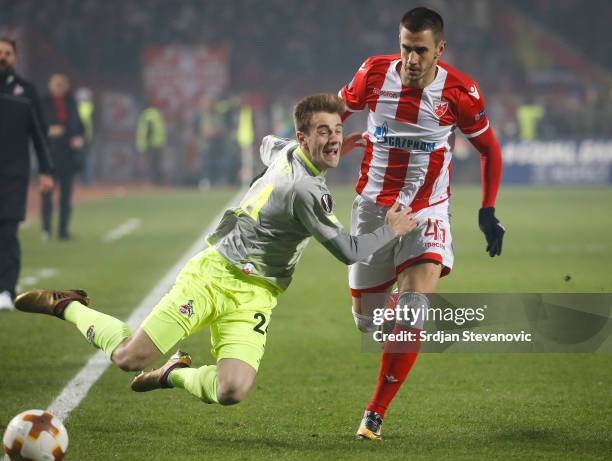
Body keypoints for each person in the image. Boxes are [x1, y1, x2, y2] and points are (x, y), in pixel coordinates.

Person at [15, 94, 417, 407]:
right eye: (324, 132)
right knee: (128, 358)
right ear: (303, 137)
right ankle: (66, 304)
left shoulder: (283, 150)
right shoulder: (306, 191)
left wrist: (328, 149)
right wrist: (391, 228)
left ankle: (173, 373)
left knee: (231, 391)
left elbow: (265, 144)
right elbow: (348, 251)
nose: (334, 139)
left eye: (336, 130)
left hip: (257, 293)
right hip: (214, 276)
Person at [338, 7, 505, 440]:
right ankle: (386, 307)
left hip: (426, 211)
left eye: (421, 51)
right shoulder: (374, 73)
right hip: (372, 210)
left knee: (412, 310)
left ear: (439, 50)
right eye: (405, 48)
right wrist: (316, 145)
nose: (411, 60)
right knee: (367, 322)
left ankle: (374, 413)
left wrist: (487, 210)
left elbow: (489, 150)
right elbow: (335, 111)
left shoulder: (460, 92)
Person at [0, 38, 54, 311]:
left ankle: (6, 291)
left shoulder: (27, 92)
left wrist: (45, 170)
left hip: (13, 175)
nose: (2, 57)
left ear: (15, 58)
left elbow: (39, 134)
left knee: (8, 232)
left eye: (7, 53)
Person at [40, 73, 85, 240]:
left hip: (68, 155)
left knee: (66, 196)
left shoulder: (71, 102)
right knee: (47, 194)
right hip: (49, 155)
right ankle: (46, 229)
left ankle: (63, 230)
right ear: (50, 85)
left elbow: (80, 126)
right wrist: (49, 131)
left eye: (62, 84)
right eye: (57, 84)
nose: (60, 87)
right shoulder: (42, 102)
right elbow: (34, 127)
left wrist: (79, 138)